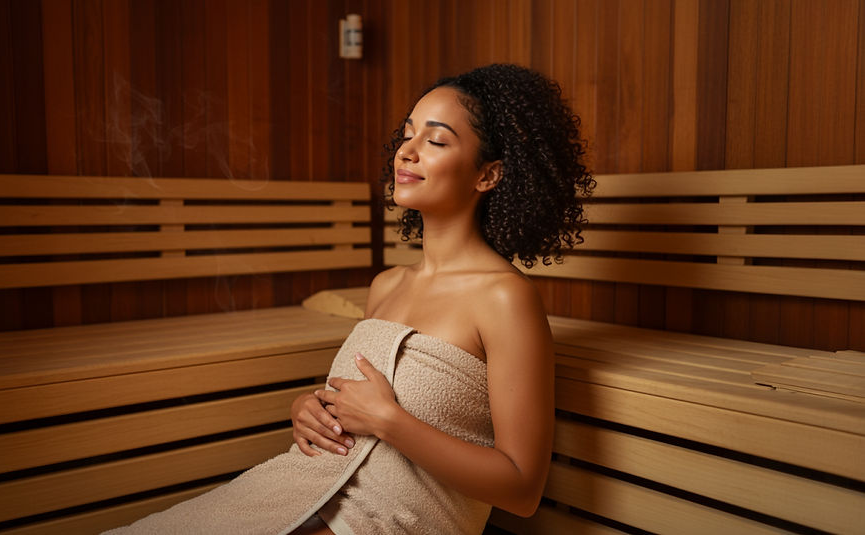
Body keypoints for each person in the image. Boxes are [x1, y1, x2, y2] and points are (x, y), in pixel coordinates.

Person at [105, 63, 592, 535]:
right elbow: (364, 408)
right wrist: (313, 410)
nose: (408, 152)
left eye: (436, 140)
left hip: (392, 521)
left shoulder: (505, 298)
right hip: (307, 493)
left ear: (488, 175)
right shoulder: (386, 286)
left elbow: (522, 489)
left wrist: (389, 422)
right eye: (407, 134)